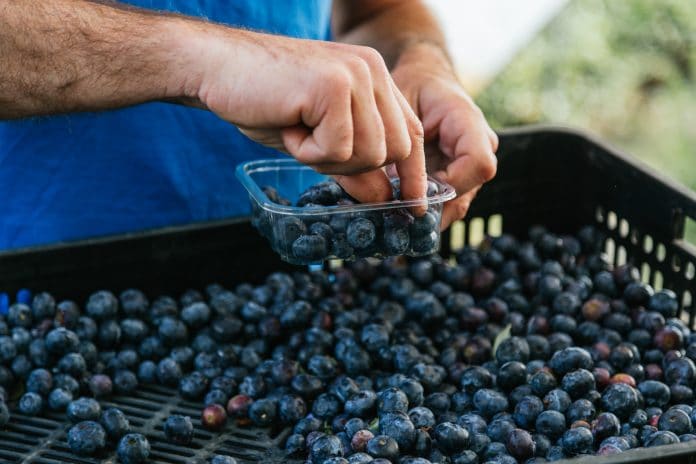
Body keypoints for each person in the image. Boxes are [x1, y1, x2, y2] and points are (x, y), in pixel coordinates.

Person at [0, 0, 498, 250]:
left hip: (291, 252)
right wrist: (202, 60)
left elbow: (377, 11)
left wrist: (418, 57)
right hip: (47, 277)